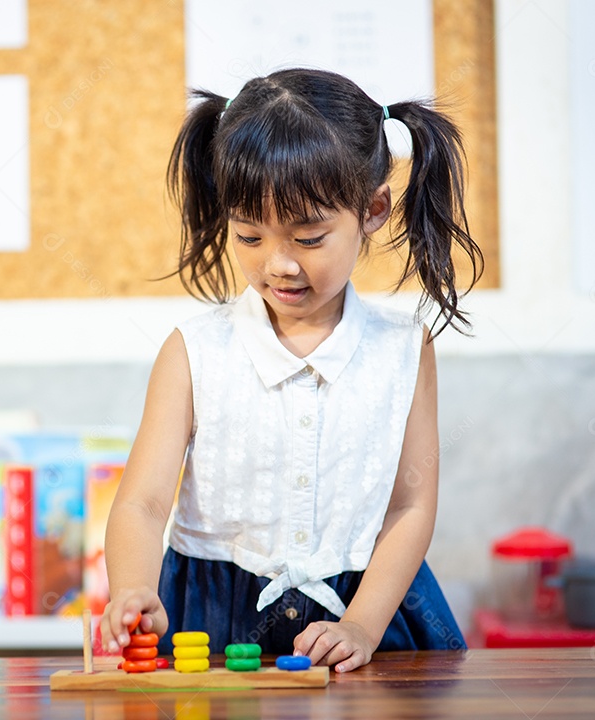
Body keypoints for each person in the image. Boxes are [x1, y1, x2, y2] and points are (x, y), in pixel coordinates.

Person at [100, 68, 481, 672]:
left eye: (309, 237)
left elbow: (410, 506)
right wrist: (130, 589)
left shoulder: (404, 350)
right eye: (249, 236)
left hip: (367, 612)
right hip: (212, 617)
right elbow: (143, 504)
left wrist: (361, 623)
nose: (278, 264)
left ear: (373, 209)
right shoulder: (193, 352)